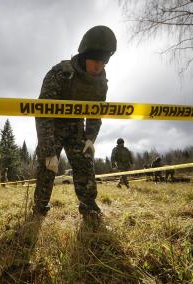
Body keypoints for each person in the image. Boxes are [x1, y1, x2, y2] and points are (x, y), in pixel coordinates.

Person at [33, 25, 117, 223]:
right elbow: (42, 113)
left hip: (76, 128)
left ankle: (90, 209)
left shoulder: (100, 82)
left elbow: (96, 112)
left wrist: (90, 138)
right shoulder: (60, 74)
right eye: (94, 60)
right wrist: (48, 151)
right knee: (47, 168)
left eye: (103, 61)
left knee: (85, 165)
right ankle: (39, 210)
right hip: (52, 127)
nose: (98, 66)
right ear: (84, 55)